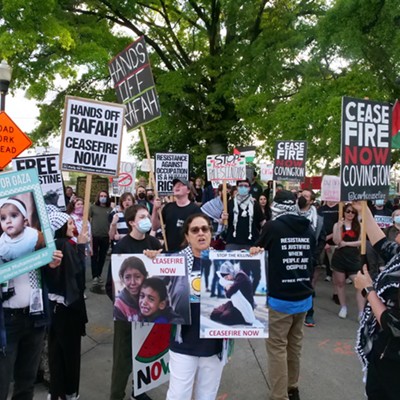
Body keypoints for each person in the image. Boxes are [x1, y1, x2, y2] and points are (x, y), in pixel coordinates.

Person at [253, 190, 315, 400]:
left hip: (280, 300)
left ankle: (279, 395)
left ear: (275, 205)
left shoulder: (273, 227)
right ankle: (292, 387)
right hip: (303, 298)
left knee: (277, 349)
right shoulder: (309, 227)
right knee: (294, 346)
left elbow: (257, 249)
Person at [0, 204, 63, 400]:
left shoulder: (38, 242)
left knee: (26, 381)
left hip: (35, 318)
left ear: (25, 219)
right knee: (2, 382)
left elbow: (51, 282)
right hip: (7, 323)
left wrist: (52, 266)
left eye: (13, 215)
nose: (8, 220)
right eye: (3, 217)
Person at [167, 214, 229, 400]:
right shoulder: (172, 262)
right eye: (195, 230)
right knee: (178, 396)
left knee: (207, 396)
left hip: (213, 344)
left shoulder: (226, 261)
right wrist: (152, 258)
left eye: (205, 229)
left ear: (211, 234)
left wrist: (254, 255)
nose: (201, 233)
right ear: (187, 236)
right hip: (183, 342)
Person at [108, 204, 162, 400]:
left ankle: (138, 391)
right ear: (131, 222)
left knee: (144, 355)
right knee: (122, 358)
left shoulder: (155, 244)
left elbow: (167, 275)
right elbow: (111, 284)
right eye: (142, 216)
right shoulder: (121, 247)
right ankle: (116, 395)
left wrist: (159, 257)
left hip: (150, 313)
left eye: (148, 215)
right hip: (126, 315)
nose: (147, 219)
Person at [353, 201, 400, 400]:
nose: (397, 230)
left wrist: (368, 290)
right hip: (384, 350)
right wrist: (363, 209)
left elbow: (394, 325)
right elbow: (380, 243)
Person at [44, 209, 88, 400]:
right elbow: (76, 276)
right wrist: (81, 247)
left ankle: (56, 391)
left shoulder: (53, 245)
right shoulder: (65, 245)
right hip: (68, 311)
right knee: (70, 355)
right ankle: (69, 392)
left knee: (55, 353)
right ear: (61, 227)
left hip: (55, 309)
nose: (73, 226)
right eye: (69, 224)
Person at [222, 178, 265, 294]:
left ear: (249, 188)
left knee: (255, 273)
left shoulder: (255, 203)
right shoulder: (229, 204)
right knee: (234, 272)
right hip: (233, 242)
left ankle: (249, 293)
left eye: (246, 185)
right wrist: (223, 219)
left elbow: (262, 223)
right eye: (240, 185)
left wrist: (264, 240)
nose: (243, 187)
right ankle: (235, 294)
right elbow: (224, 226)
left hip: (251, 244)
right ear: (237, 187)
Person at [297, 189, 326, 328]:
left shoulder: (318, 219)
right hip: (292, 254)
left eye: (306, 196)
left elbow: (321, 239)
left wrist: (314, 255)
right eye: (302, 195)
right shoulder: (291, 214)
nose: (303, 198)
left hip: (309, 257)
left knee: (307, 285)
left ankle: (309, 313)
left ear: (311, 201)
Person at [331, 203, 364, 319]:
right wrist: (339, 227)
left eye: (353, 212)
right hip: (340, 257)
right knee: (340, 283)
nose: (350, 214)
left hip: (353, 257)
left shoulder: (359, 225)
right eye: (348, 211)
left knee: (359, 284)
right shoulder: (338, 225)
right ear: (344, 212)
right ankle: (343, 307)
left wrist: (346, 244)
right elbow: (336, 241)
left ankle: (361, 312)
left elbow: (361, 241)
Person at [152, 178, 201, 252]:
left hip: (188, 252)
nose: (176, 187)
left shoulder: (195, 210)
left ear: (188, 190)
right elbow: (155, 227)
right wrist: (155, 209)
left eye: (181, 185)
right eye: (175, 185)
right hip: (168, 251)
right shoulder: (168, 207)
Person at [0, 197, 45, 263]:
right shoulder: (2, 242)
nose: (8, 221)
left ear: (25, 222)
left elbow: (45, 254)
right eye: (3, 218)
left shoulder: (35, 237)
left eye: (14, 216)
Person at [210, 261, 255, 326]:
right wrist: (228, 287)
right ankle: (228, 313)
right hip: (235, 303)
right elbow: (228, 294)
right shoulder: (235, 277)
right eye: (225, 278)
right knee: (214, 314)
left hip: (245, 307)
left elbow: (229, 294)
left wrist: (227, 287)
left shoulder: (241, 276)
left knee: (225, 318)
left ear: (231, 272)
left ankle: (242, 319)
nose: (227, 279)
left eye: (227, 277)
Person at [89, 190, 112, 293]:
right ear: (98, 197)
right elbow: (87, 218)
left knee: (102, 257)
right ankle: (95, 275)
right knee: (94, 256)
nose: (103, 197)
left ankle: (99, 274)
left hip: (105, 236)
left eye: (105, 196)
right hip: (94, 236)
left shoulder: (110, 209)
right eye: (101, 196)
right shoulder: (93, 207)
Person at [113, 256, 148, 322]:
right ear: (122, 279)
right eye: (127, 277)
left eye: (137, 277)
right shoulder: (119, 305)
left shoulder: (151, 295)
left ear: (145, 276)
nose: (133, 282)